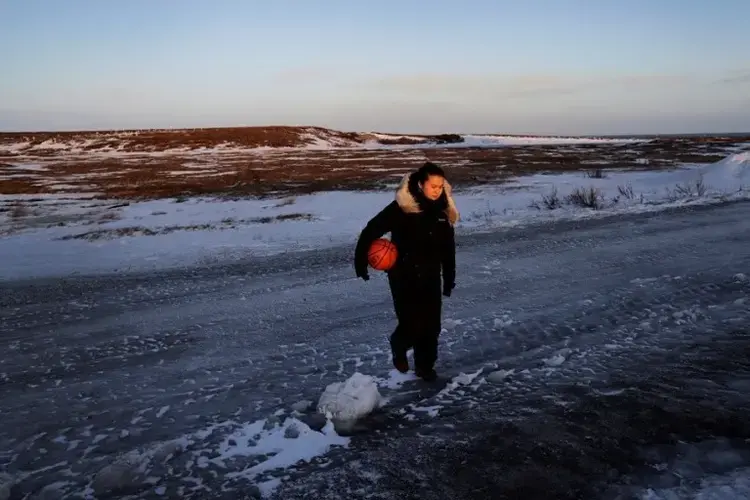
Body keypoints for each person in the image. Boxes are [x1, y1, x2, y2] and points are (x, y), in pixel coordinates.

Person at [354, 161, 459, 382]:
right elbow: (371, 230)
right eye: (433, 186)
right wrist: (361, 261)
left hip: (431, 275)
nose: (437, 190)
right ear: (421, 184)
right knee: (412, 323)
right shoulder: (402, 207)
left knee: (432, 327)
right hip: (403, 275)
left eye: (440, 186)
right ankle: (399, 344)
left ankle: (425, 367)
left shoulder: (442, 211)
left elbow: (448, 249)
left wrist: (449, 278)